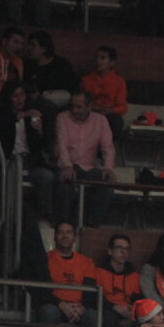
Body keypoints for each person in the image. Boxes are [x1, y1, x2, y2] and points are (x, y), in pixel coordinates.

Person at [35, 221, 102, 327]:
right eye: (61, 232)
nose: (64, 236)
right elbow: (42, 291)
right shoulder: (45, 259)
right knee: (48, 312)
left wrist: (82, 307)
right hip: (56, 306)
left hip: (79, 307)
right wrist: (62, 305)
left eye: (68, 232)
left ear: (75, 237)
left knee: (93, 317)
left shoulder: (86, 262)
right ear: (55, 236)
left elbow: (90, 290)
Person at [0, 80, 53, 220]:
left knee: (47, 177)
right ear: (9, 97)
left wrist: (39, 131)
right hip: (10, 162)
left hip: (30, 162)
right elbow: (0, 129)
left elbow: (42, 145)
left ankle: (44, 216)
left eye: (22, 95)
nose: (19, 99)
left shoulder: (31, 116)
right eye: (15, 95)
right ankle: (8, 217)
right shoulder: (1, 114)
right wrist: (24, 115)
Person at [53, 90, 115, 227]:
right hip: (68, 166)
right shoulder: (62, 117)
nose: (74, 110)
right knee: (65, 188)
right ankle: (64, 227)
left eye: (79, 107)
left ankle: (92, 227)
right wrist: (67, 166)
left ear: (89, 106)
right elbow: (62, 145)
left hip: (90, 169)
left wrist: (108, 168)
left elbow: (108, 147)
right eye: (72, 106)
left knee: (106, 185)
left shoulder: (100, 120)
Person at [94, 233, 141, 327]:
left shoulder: (133, 275)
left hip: (127, 310)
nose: (124, 252)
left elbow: (136, 297)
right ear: (110, 251)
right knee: (109, 317)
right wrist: (115, 307)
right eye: (119, 248)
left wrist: (132, 308)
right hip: (109, 309)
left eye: (127, 249)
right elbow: (95, 297)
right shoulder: (99, 272)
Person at [79, 45, 126, 140]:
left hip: (109, 114)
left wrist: (110, 110)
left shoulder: (119, 81)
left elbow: (122, 107)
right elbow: (80, 101)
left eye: (102, 58)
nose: (98, 61)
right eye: (96, 57)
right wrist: (93, 107)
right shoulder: (86, 80)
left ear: (111, 62)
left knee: (116, 121)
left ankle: (108, 147)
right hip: (90, 112)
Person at [22, 30, 77, 110]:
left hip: (60, 105)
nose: (29, 48)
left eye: (33, 45)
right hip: (34, 106)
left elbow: (72, 88)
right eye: (29, 44)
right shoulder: (28, 65)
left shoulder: (62, 64)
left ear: (44, 48)